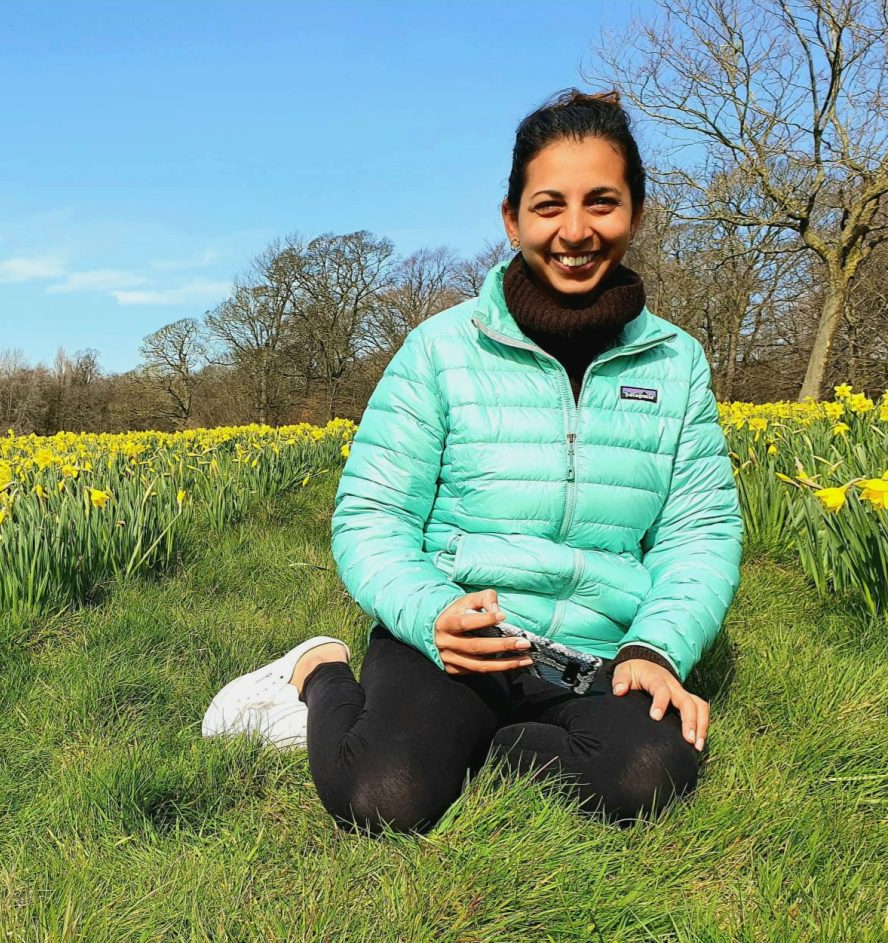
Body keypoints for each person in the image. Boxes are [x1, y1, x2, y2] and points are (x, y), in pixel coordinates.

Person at [202, 88, 744, 835]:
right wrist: (430, 612)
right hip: (458, 635)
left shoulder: (675, 362)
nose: (576, 231)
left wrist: (655, 648)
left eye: (603, 203)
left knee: (650, 773)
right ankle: (318, 670)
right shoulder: (441, 349)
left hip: (598, 650)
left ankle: (467, 745)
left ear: (637, 214)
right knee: (384, 796)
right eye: (549, 205)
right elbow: (373, 513)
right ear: (511, 217)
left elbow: (701, 531)